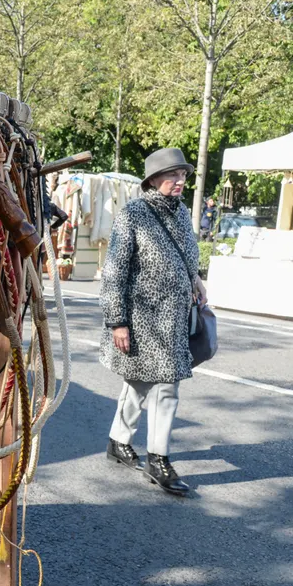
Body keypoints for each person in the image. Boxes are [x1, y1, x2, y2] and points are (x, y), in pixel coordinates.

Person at [99, 147, 206, 497]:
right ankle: (157, 459)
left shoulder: (181, 212)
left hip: (173, 317)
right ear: (154, 179)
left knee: (146, 383)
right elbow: (115, 271)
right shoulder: (133, 213)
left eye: (183, 175)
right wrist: (117, 321)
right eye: (173, 174)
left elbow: (187, 252)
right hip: (142, 316)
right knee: (159, 385)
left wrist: (195, 279)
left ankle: (120, 441)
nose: (180, 181)